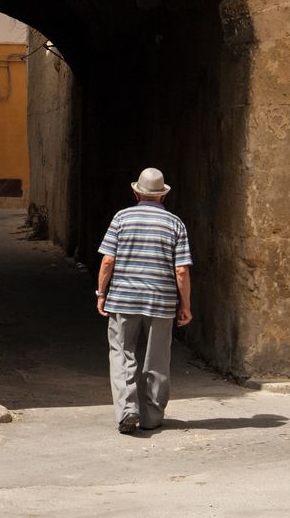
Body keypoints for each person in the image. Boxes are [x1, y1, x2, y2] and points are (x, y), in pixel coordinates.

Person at [95, 167, 193, 434]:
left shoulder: (121, 218)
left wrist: (101, 293)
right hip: (161, 303)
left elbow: (108, 260)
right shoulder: (175, 224)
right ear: (163, 196)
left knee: (121, 353)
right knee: (158, 359)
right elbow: (181, 270)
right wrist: (185, 306)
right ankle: (151, 417)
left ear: (136, 192)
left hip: (123, 300)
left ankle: (128, 410)